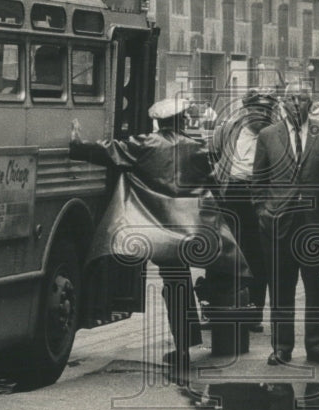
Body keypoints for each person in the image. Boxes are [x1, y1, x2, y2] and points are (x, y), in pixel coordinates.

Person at [69, 96, 248, 384]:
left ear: (159, 122)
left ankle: (183, 350)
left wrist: (78, 146)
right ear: (180, 120)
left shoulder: (146, 145)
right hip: (192, 233)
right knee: (183, 283)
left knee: (175, 287)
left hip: (162, 235)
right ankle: (186, 346)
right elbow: (215, 185)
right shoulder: (197, 148)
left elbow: (109, 151)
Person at [251, 85, 319, 367]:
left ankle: (317, 348)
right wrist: (262, 212)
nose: (297, 104)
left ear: (312, 104)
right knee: (281, 289)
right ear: (283, 103)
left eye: (303, 99)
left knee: (317, 289)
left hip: (316, 225)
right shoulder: (268, 136)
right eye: (292, 99)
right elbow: (258, 182)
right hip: (278, 225)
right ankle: (282, 347)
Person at [212, 90, 278, 330]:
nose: (260, 115)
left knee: (257, 257)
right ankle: (216, 310)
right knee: (221, 253)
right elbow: (214, 156)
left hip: (259, 198)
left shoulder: (276, 135)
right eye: (255, 110)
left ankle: (253, 313)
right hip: (230, 195)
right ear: (246, 111)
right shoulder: (228, 130)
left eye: (265, 111)